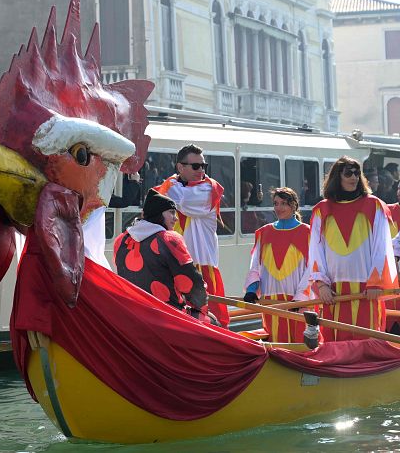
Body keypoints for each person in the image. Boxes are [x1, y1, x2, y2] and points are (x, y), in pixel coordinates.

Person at [308, 156, 398, 341]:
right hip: (334, 291)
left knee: (367, 341)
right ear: (337, 177)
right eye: (348, 173)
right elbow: (315, 251)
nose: (354, 177)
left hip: (366, 289)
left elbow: (382, 247)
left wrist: (376, 283)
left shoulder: (374, 205)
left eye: (357, 173)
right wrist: (321, 283)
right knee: (335, 341)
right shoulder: (321, 210)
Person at [153, 144, 230, 327]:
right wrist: (170, 183)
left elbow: (183, 200)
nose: (201, 170)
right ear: (180, 167)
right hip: (174, 269)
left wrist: (169, 183)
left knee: (210, 326)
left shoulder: (209, 189)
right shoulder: (173, 187)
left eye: (204, 166)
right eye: (196, 166)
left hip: (202, 270)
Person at [113, 189, 214, 324]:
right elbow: (190, 281)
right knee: (213, 323)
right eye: (172, 213)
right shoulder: (169, 239)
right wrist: (202, 305)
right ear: (158, 214)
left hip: (132, 313)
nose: (176, 218)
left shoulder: (121, 240)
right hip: (167, 315)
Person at [243, 188, 313, 343]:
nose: (279, 208)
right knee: (275, 339)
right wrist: (252, 290)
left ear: (294, 205)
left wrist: (301, 298)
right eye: (276, 203)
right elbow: (255, 265)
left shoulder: (307, 232)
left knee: (300, 341)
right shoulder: (264, 232)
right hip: (271, 301)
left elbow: (312, 269)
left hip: (297, 302)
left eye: (284, 203)